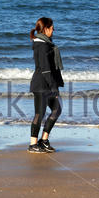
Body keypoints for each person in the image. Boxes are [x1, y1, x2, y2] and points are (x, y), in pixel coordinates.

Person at [28, 17, 64, 153]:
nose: (53, 30)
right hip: (41, 85)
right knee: (39, 114)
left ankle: (44, 140)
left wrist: (55, 85)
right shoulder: (41, 45)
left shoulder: (46, 43)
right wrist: (54, 87)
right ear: (46, 29)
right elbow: (45, 69)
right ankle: (32, 144)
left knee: (57, 110)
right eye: (52, 27)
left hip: (47, 84)